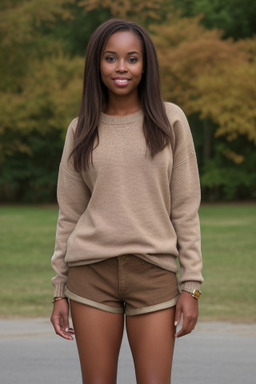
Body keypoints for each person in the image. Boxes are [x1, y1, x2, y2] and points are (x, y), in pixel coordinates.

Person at [50, 18, 203, 384]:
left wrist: (191, 285)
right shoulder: (81, 128)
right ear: (96, 65)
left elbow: (185, 208)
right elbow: (69, 214)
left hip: (154, 274)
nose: (121, 68)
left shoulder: (170, 120)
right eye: (110, 58)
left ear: (145, 64)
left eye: (132, 58)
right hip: (91, 276)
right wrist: (59, 290)